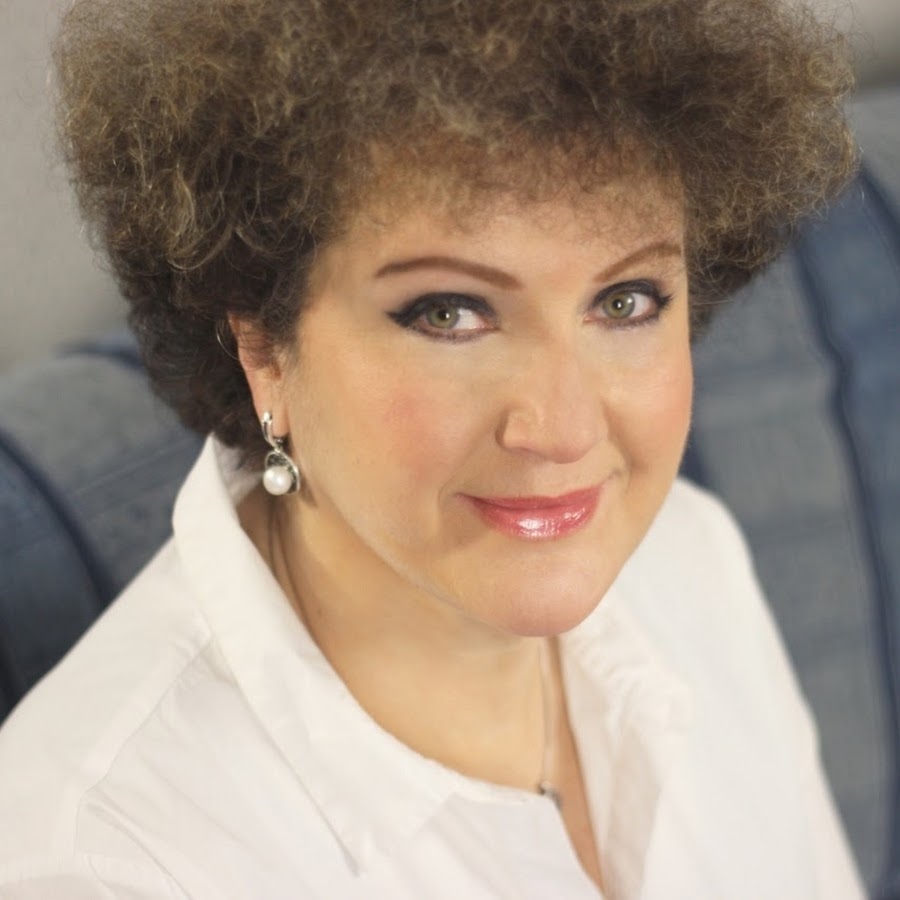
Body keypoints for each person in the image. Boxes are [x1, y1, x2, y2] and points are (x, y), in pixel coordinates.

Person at [0, 0, 866, 896]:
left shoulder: (691, 557)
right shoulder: (99, 864)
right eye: (449, 314)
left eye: (625, 302)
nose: (564, 429)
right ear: (264, 351)